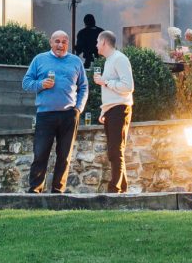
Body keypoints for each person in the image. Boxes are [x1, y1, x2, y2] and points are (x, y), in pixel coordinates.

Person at [22, 30, 89, 194]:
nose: (60, 45)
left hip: (69, 115)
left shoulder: (75, 61)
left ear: (68, 44)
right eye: (57, 41)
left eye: (64, 42)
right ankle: (35, 192)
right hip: (45, 114)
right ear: (51, 42)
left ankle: (58, 192)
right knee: (40, 154)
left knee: (64, 156)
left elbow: (84, 87)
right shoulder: (39, 59)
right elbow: (26, 83)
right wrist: (41, 84)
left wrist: (78, 108)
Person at [93, 30, 134, 193]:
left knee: (115, 150)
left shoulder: (119, 59)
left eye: (97, 41)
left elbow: (128, 86)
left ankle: (114, 189)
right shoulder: (109, 61)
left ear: (103, 42)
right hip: (112, 110)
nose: (96, 45)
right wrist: (104, 111)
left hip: (120, 109)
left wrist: (106, 82)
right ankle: (122, 188)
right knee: (114, 150)